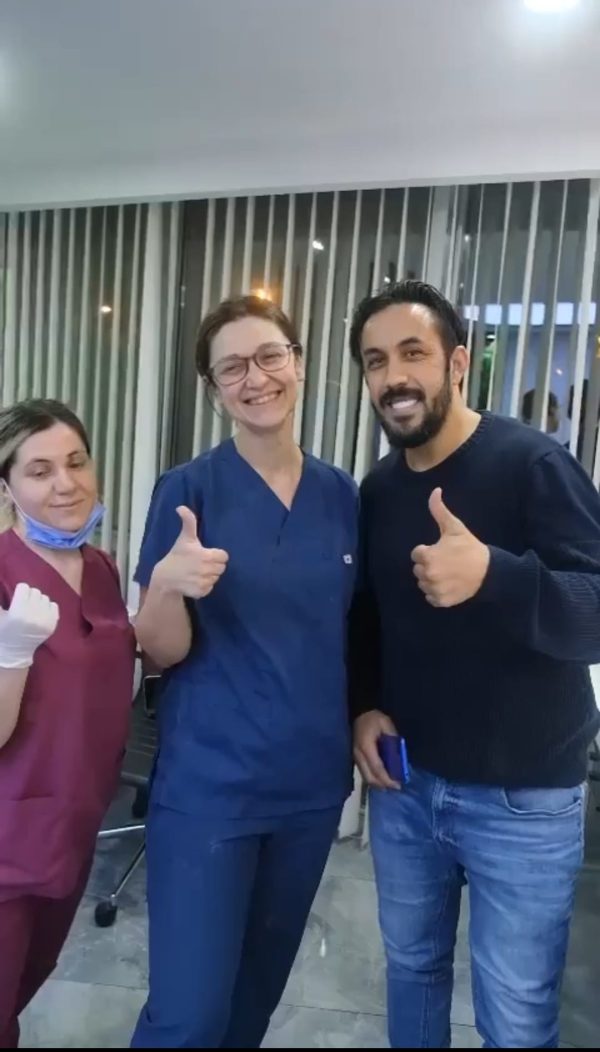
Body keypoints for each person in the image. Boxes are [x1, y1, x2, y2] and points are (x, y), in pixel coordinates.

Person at [348, 279, 600, 1050]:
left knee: (515, 1018)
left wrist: (495, 574)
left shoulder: (533, 464)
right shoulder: (378, 489)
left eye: (413, 353)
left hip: (523, 801)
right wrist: (363, 704)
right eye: (376, 360)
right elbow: (368, 618)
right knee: (412, 973)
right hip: (407, 788)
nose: (394, 376)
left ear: (457, 364)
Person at [131, 295, 358, 1048]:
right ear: (213, 388)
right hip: (211, 789)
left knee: (251, 1003)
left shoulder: (341, 496)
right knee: (189, 1015)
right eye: (232, 367)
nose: (255, 378)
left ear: (299, 363)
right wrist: (168, 587)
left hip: (309, 790)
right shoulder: (188, 490)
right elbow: (159, 650)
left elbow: (352, 632)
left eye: (269, 356)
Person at [0, 398, 135, 1048]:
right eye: (40, 470)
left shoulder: (102, 570)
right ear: (7, 488)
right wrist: (11, 653)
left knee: (26, 983)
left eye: (76, 462)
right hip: (8, 840)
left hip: (73, 830)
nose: (65, 484)